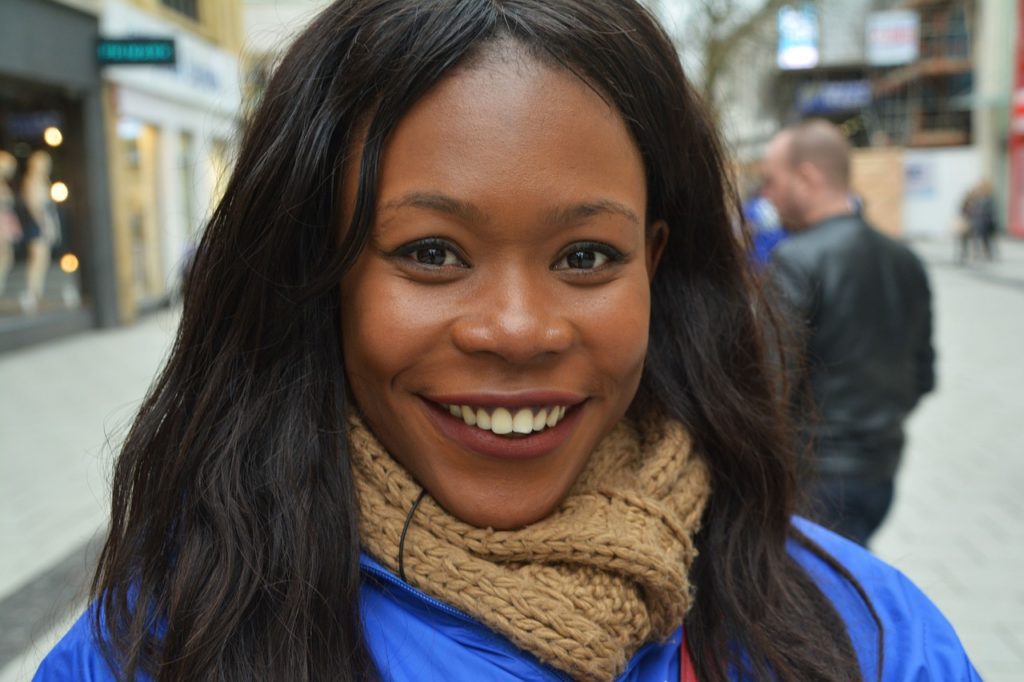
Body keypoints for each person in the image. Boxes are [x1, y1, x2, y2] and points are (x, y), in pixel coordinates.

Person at [37, 3, 973, 681]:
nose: (519, 329)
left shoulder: (866, 636)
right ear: (317, 276)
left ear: (655, 266)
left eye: (586, 255)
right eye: (433, 252)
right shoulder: (161, 646)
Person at [761, 120, 936, 547]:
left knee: (821, 602)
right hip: (881, 471)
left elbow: (769, 381)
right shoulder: (905, 259)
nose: (767, 195)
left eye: (772, 181)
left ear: (807, 178)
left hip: (815, 481)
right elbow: (923, 376)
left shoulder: (797, 260)